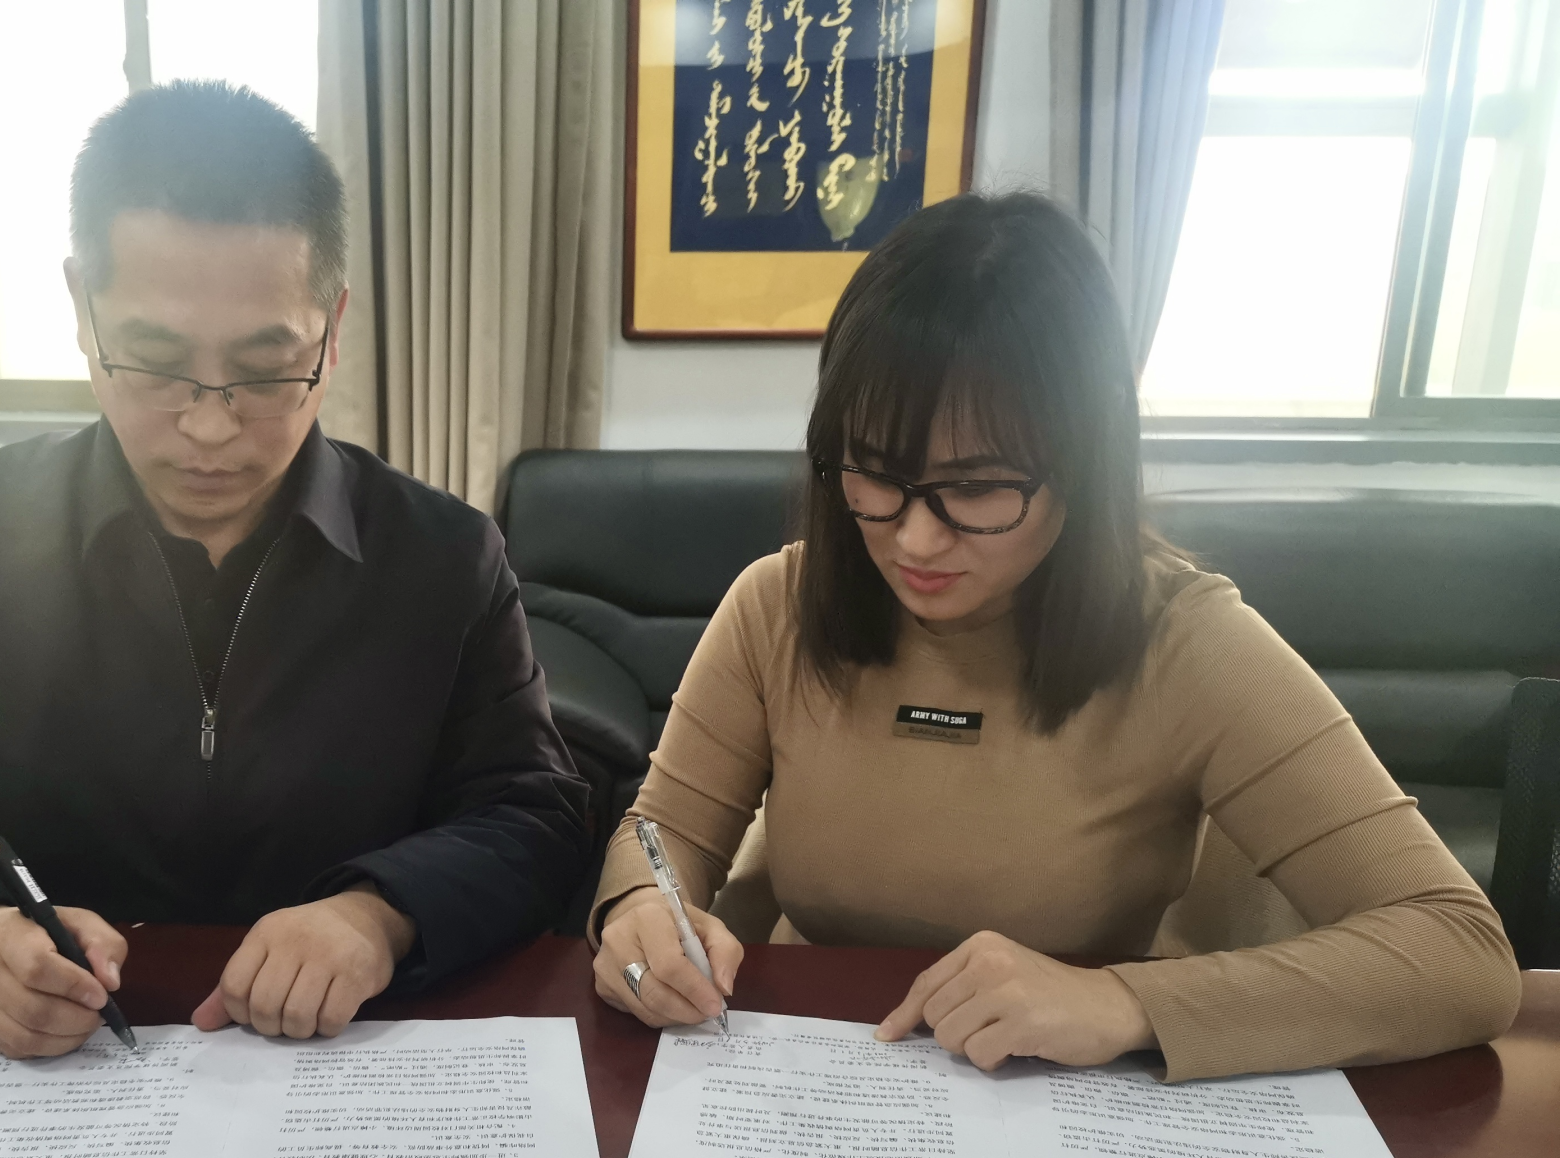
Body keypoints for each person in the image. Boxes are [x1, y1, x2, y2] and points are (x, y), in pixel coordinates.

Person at [0, 81, 590, 1058]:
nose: (211, 428)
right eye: (153, 361)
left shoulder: (442, 556)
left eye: (265, 368)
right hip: (67, 1066)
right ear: (81, 308)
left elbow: (536, 816)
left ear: (333, 326)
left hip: (347, 1062)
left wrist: (376, 918)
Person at [589, 191, 1519, 1082]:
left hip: (1070, 1098)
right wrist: (638, 910)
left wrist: (1123, 1002)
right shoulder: (778, 606)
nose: (915, 541)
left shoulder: (1186, 642)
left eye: (978, 489)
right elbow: (664, 833)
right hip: (814, 1071)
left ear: (1084, 463)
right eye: (875, 474)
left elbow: (1460, 952)